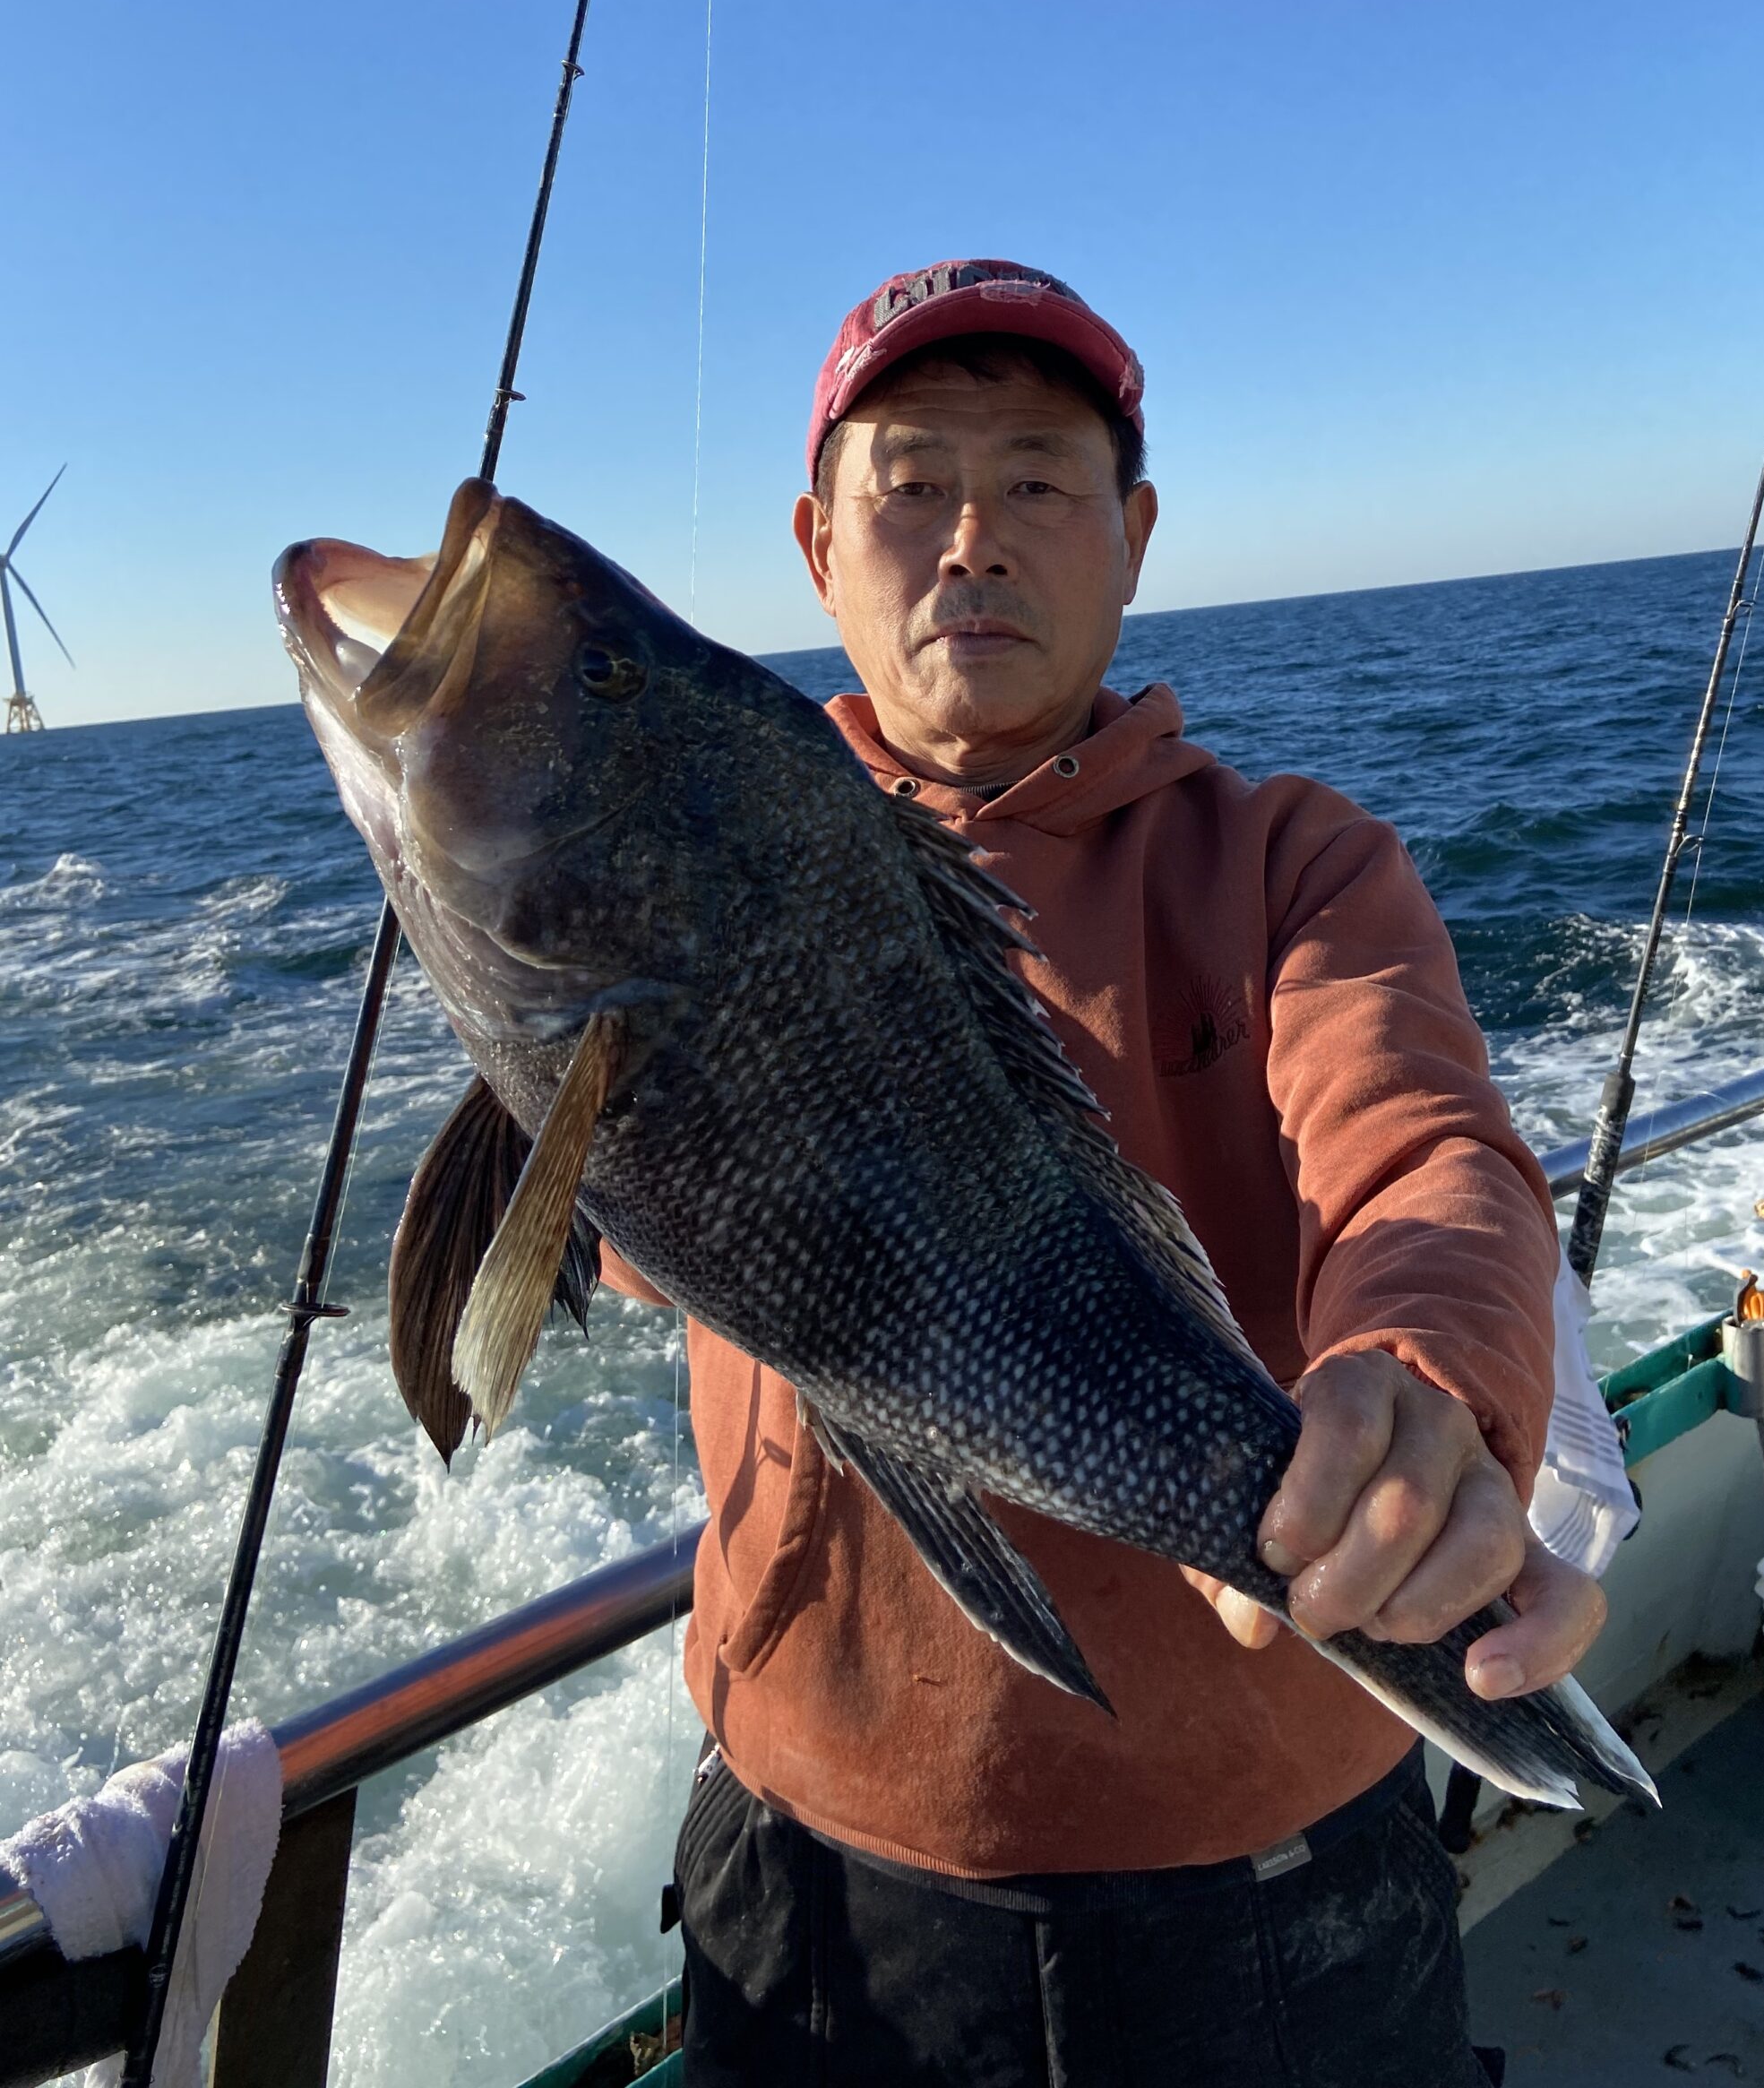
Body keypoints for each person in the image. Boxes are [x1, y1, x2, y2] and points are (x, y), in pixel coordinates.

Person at [599, 259, 1606, 2086]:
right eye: (908, 482)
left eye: (1040, 481)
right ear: (818, 542)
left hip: (1264, 1890)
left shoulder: (1295, 861)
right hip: (805, 1870)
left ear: (1131, 538)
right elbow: (649, 1245)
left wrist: (1435, 1386)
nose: (971, 536)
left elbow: (1426, 1152)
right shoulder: (712, 853)